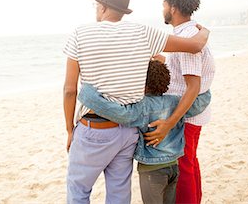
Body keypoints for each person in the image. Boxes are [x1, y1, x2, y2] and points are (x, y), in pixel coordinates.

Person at [63, 0, 210, 204]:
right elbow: (195, 45)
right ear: (122, 11)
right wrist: (205, 30)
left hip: (93, 129)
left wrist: (69, 130)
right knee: (119, 195)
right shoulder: (143, 32)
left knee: (78, 191)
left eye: (96, 6)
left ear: (102, 7)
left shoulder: (79, 33)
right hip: (126, 133)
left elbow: (70, 90)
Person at [77, 60, 211, 204]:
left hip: (152, 170)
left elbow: (119, 113)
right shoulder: (176, 102)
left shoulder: (142, 107)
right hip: (174, 165)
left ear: (142, 83)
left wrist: (88, 94)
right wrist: (204, 87)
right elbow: (200, 103)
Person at [143, 0, 215, 204]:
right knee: (190, 162)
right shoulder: (190, 32)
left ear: (173, 7)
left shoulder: (186, 38)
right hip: (193, 112)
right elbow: (182, 68)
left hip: (187, 115)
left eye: (164, 4)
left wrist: (168, 124)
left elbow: (192, 86)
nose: (162, 8)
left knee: (184, 167)